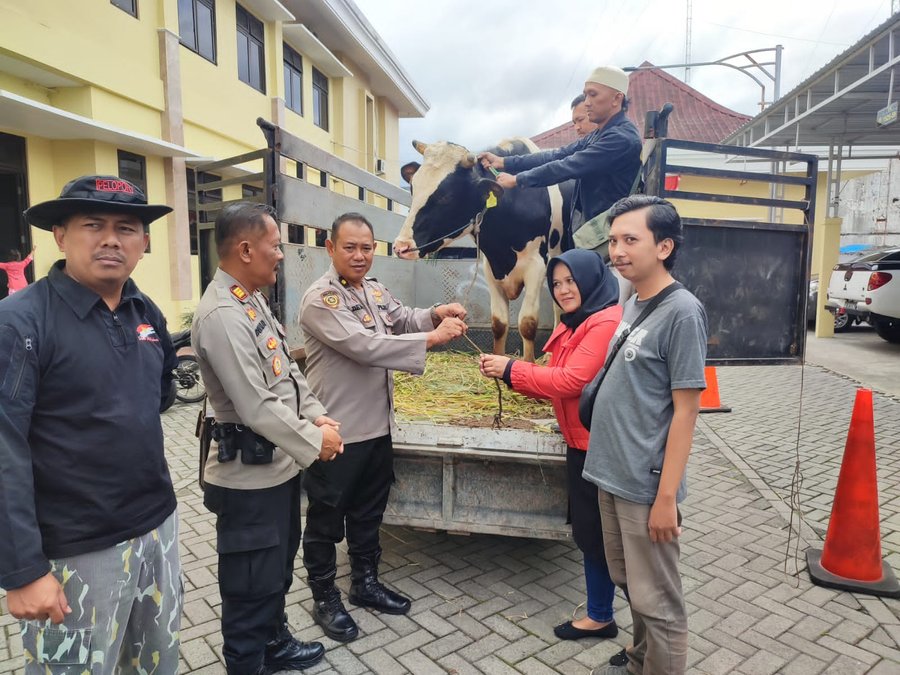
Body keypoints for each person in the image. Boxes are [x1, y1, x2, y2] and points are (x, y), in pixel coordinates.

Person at [0, 175, 182, 673]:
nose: (111, 240)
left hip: (158, 529)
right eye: (93, 225)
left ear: (144, 243)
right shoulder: (20, 322)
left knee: (156, 662)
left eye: (126, 228)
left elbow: (162, 388)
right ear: (60, 235)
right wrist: (23, 570)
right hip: (76, 551)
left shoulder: (143, 310)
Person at [298, 212, 468, 642]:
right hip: (337, 432)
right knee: (325, 519)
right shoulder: (322, 299)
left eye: (366, 247)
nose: (359, 255)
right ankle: (324, 596)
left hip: (377, 426)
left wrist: (434, 313)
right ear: (330, 248)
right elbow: (366, 346)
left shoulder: (372, 289)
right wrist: (433, 338)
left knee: (368, 513)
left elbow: (401, 318)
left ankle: (365, 583)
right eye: (350, 247)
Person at [192, 202, 343, 675]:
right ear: (244, 249)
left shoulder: (249, 298)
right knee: (249, 585)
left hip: (277, 468)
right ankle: (247, 662)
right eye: (274, 246)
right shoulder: (222, 315)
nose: (280, 254)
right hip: (247, 481)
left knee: (275, 571)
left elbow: (289, 376)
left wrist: (317, 416)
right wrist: (314, 441)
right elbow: (255, 405)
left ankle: (274, 643)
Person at [585, 195, 708, 675]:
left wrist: (666, 499)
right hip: (611, 473)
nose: (617, 250)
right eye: (613, 240)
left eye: (630, 239)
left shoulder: (683, 311)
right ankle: (639, 660)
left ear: (664, 246)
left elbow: (686, 411)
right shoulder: (634, 301)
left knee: (658, 600)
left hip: (645, 484)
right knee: (630, 583)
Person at [479, 248, 622, 641]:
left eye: (571, 281)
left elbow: (571, 380)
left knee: (610, 542)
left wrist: (512, 368)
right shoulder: (578, 322)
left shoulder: (604, 323)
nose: (563, 290)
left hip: (600, 448)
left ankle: (637, 630)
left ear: (591, 279)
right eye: (556, 284)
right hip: (581, 443)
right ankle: (600, 615)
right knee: (591, 536)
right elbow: (554, 381)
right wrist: (511, 375)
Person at [478, 66, 642, 246]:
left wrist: (517, 179)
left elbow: (567, 166)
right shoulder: (599, 134)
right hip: (595, 228)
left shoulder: (620, 138)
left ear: (617, 98)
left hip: (611, 235)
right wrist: (504, 162)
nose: (587, 102)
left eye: (593, 95)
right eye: (586, 95)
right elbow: (557, 155)